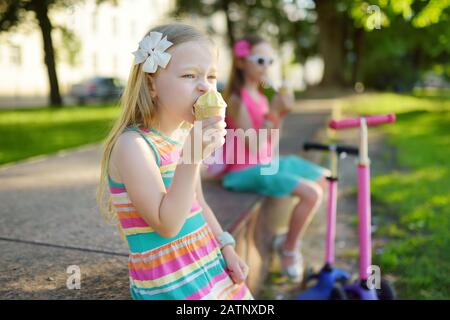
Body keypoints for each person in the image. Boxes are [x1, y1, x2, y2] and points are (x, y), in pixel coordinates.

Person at [96, 23, 253, 300]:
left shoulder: (183, 137)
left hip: (209, 264)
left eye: (212, 76)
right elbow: (166, 225)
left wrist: (226, 246)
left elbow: (198, 204)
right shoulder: (133, 146)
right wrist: (192, 156)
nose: (205, 86)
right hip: (171, 283)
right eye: (190, 75)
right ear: (151, 83)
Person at [221, 35, 329, 283]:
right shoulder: (237, 100)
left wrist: (279, 116)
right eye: (260, 60)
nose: (266, 66)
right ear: (241, 62)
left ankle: (287, 238)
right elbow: (254, 145)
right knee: (312, 193)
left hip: (264, 163)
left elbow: (270, 146)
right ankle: (289, 249)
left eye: (270, 61)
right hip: (242, 172)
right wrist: (275, 114)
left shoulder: (261, 98)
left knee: (323, 178)